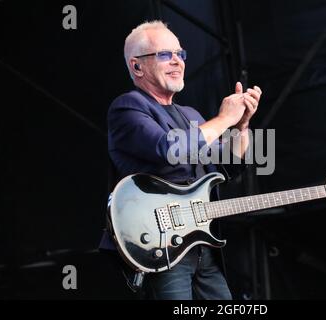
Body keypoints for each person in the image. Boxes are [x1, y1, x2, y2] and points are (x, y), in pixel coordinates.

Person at [99, 20, 262, 300]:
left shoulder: (191, 115)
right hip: (160, 247)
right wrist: (224, 118)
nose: (177, 61)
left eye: (180, 54)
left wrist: (241, 126)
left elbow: (228, 167)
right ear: (137, 66)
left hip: (202, 249)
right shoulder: (128, 107)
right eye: (165, 54)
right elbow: (169, 149)